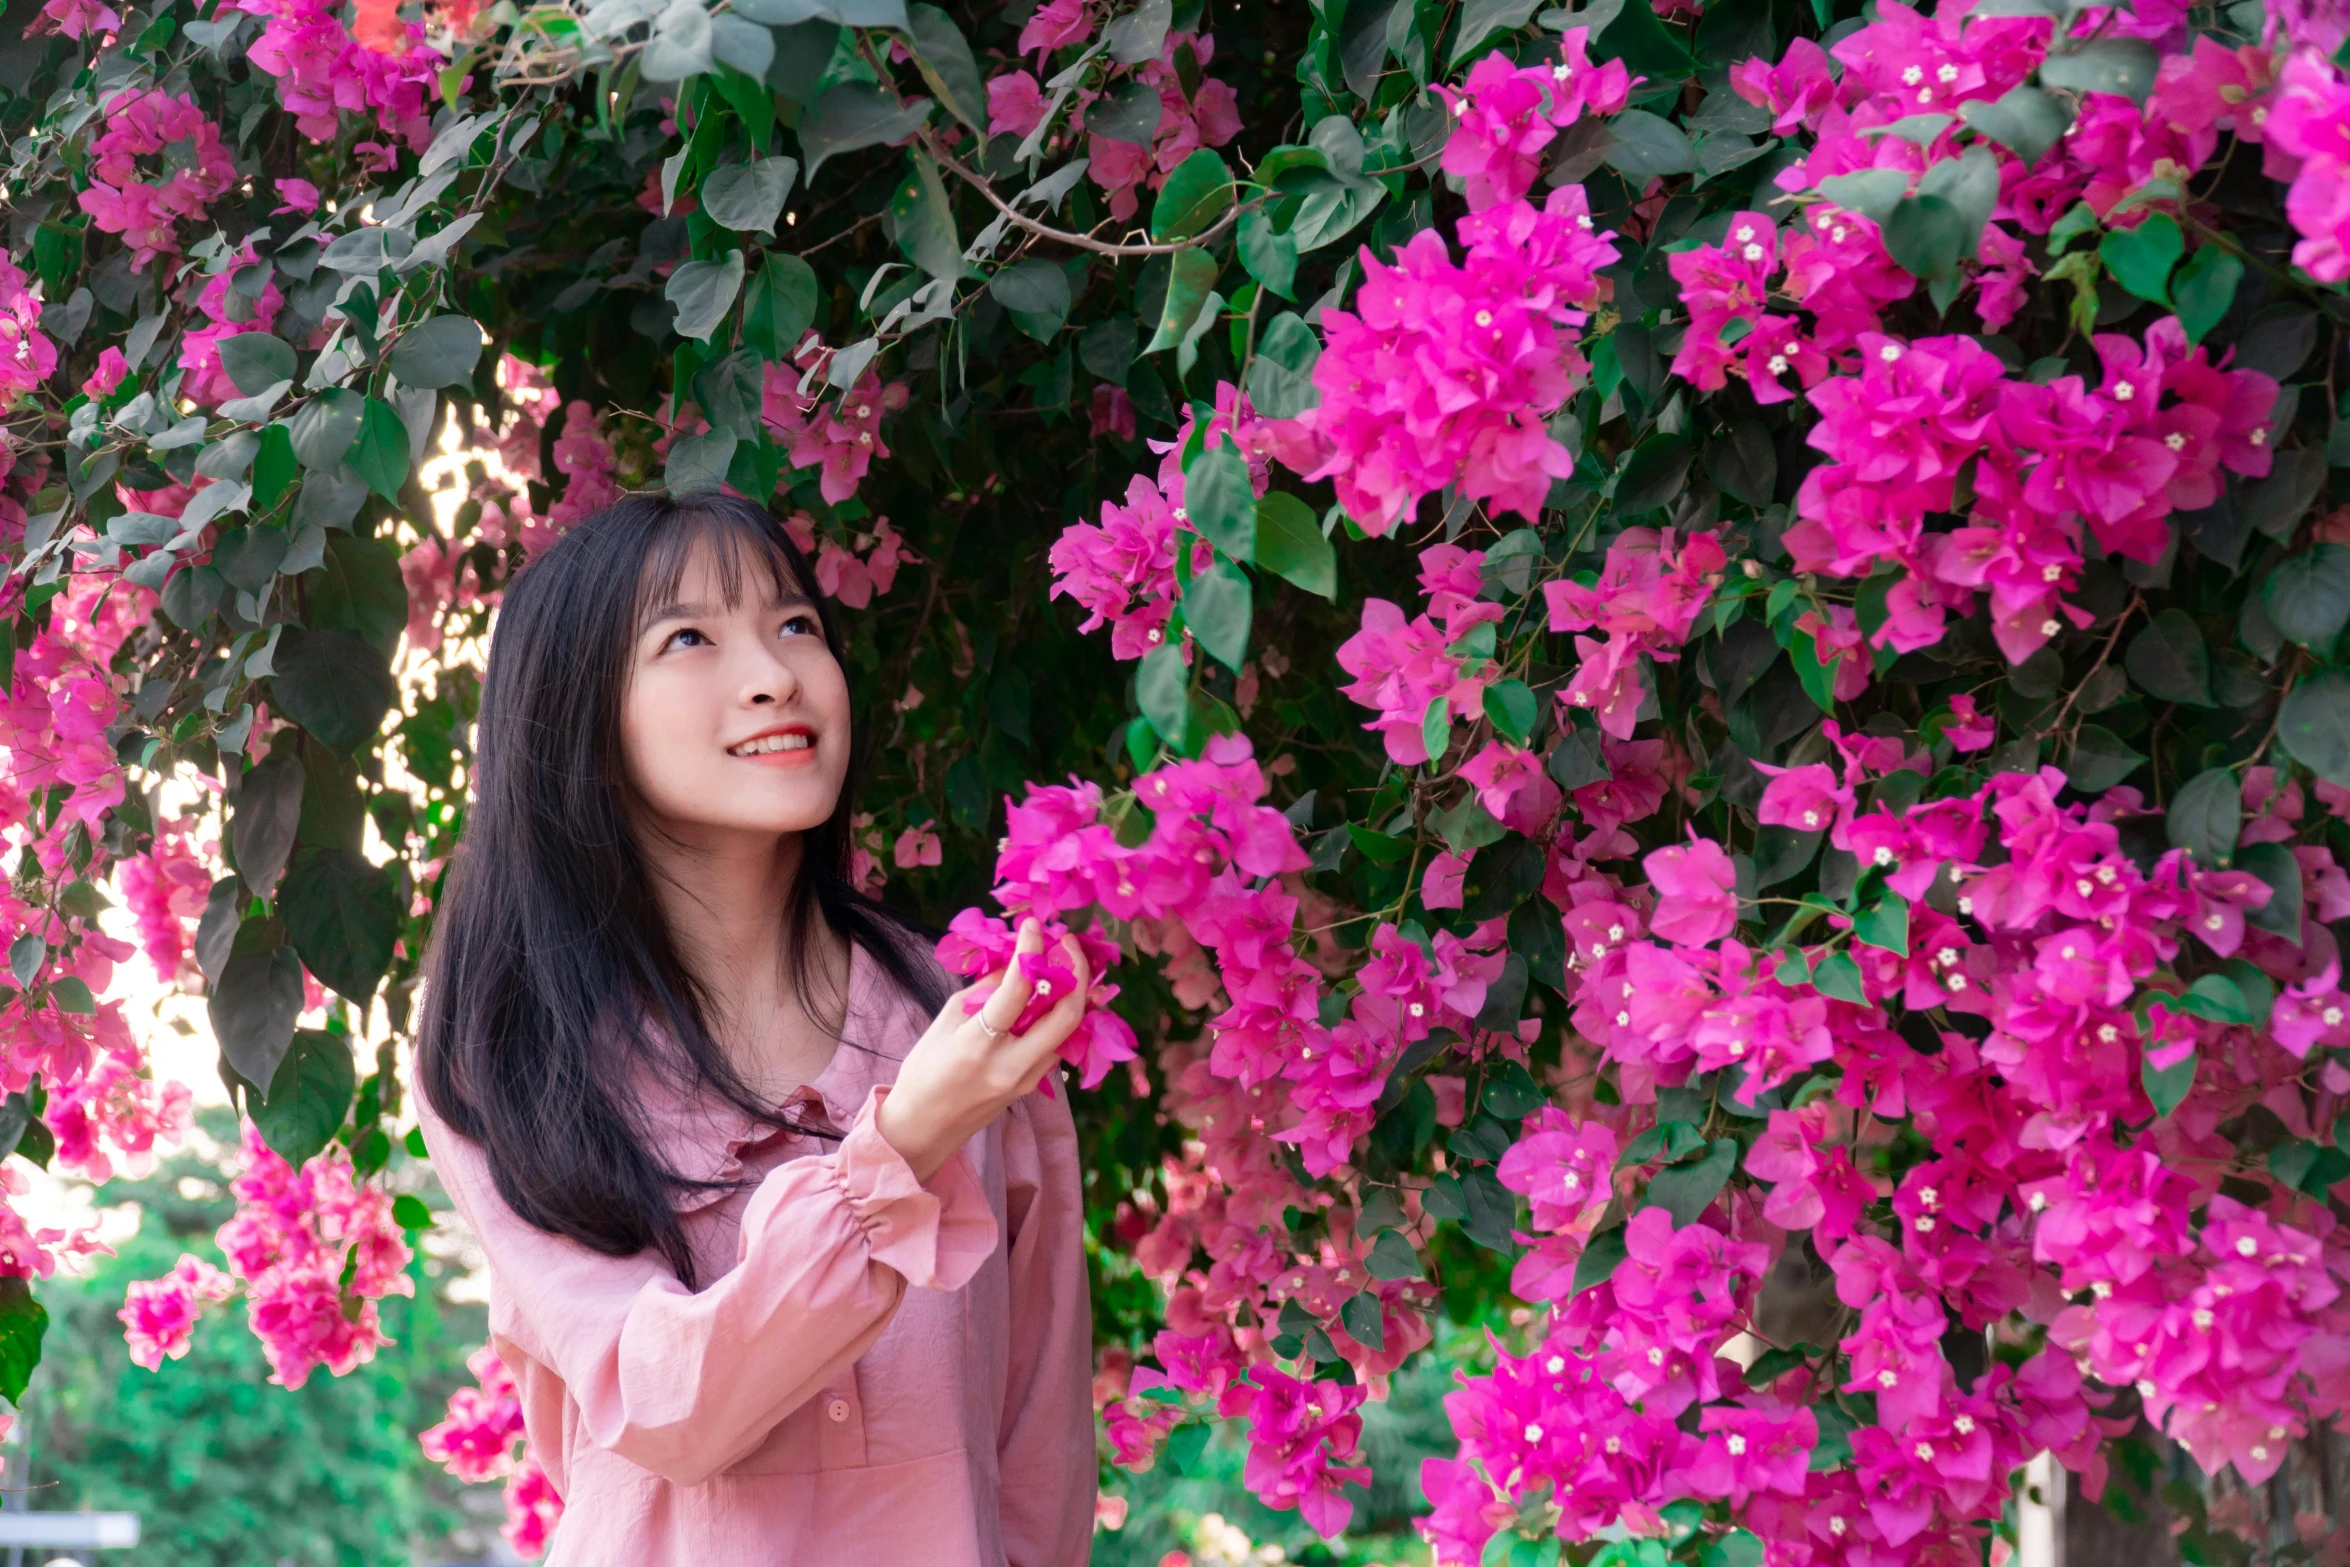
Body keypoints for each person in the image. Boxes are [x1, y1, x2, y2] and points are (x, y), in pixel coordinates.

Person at [411, 493, 1098, 1565]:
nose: (776, 673)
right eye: (688, 636)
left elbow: (1039, 1454)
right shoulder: (508, 1051)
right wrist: (898, 1151)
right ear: (577, 714)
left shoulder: (958, 1015)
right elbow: (667, 1410)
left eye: (795, 625)